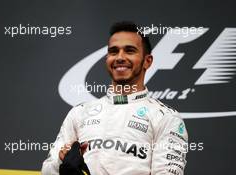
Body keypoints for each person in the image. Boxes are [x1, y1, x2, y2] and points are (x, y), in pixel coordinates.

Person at [41, 21, 188, 175]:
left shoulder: (166, 118)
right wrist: (61, 160)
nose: (120, 57)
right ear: (107, 59)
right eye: (113, 51)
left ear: (147, 61)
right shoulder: (80, 112)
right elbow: (47, 171)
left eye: (130, 51)